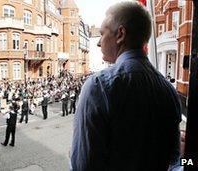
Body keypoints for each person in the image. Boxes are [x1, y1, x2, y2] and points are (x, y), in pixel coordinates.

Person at [71, 2, 181, 171]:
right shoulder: (168, 90)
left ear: (120, 34)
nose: (99, 42)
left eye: (102, 33)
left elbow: (84, 165)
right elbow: (174, 158)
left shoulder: (99, 85)